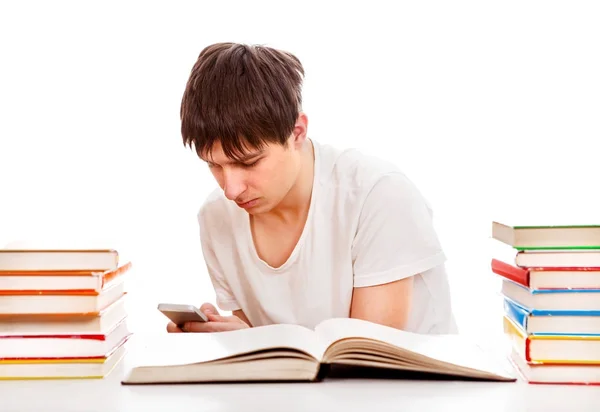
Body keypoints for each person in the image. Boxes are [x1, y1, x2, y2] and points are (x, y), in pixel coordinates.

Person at [166, 42, 458, 335]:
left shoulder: (378, 195)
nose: (230, 189)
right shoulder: (216, 218)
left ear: (297, 133)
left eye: (249, 162)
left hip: (410, 381)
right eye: (214, 165)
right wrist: (230, 343)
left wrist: (251, 343)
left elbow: (367, 359)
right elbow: (275, 363)